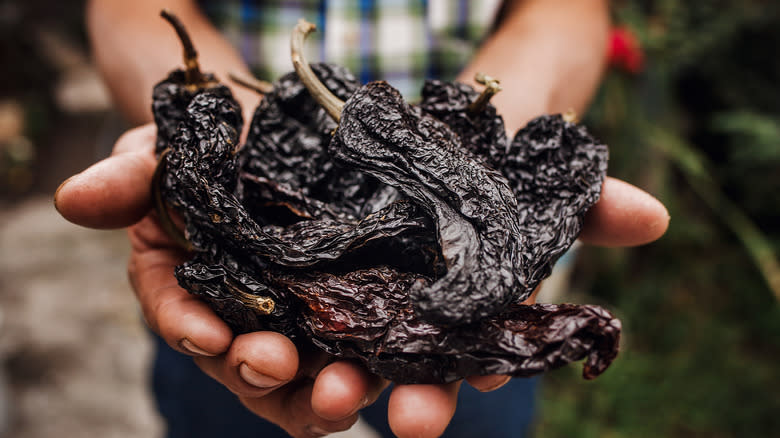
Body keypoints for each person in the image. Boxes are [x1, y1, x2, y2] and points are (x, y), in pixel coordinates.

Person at [55, 1, 670, 437]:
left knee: (469, 388)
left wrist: (502, 114)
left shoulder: (433, 160)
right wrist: (198, 135)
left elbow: (569, 9)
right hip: (239, 314)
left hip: (488, 288)